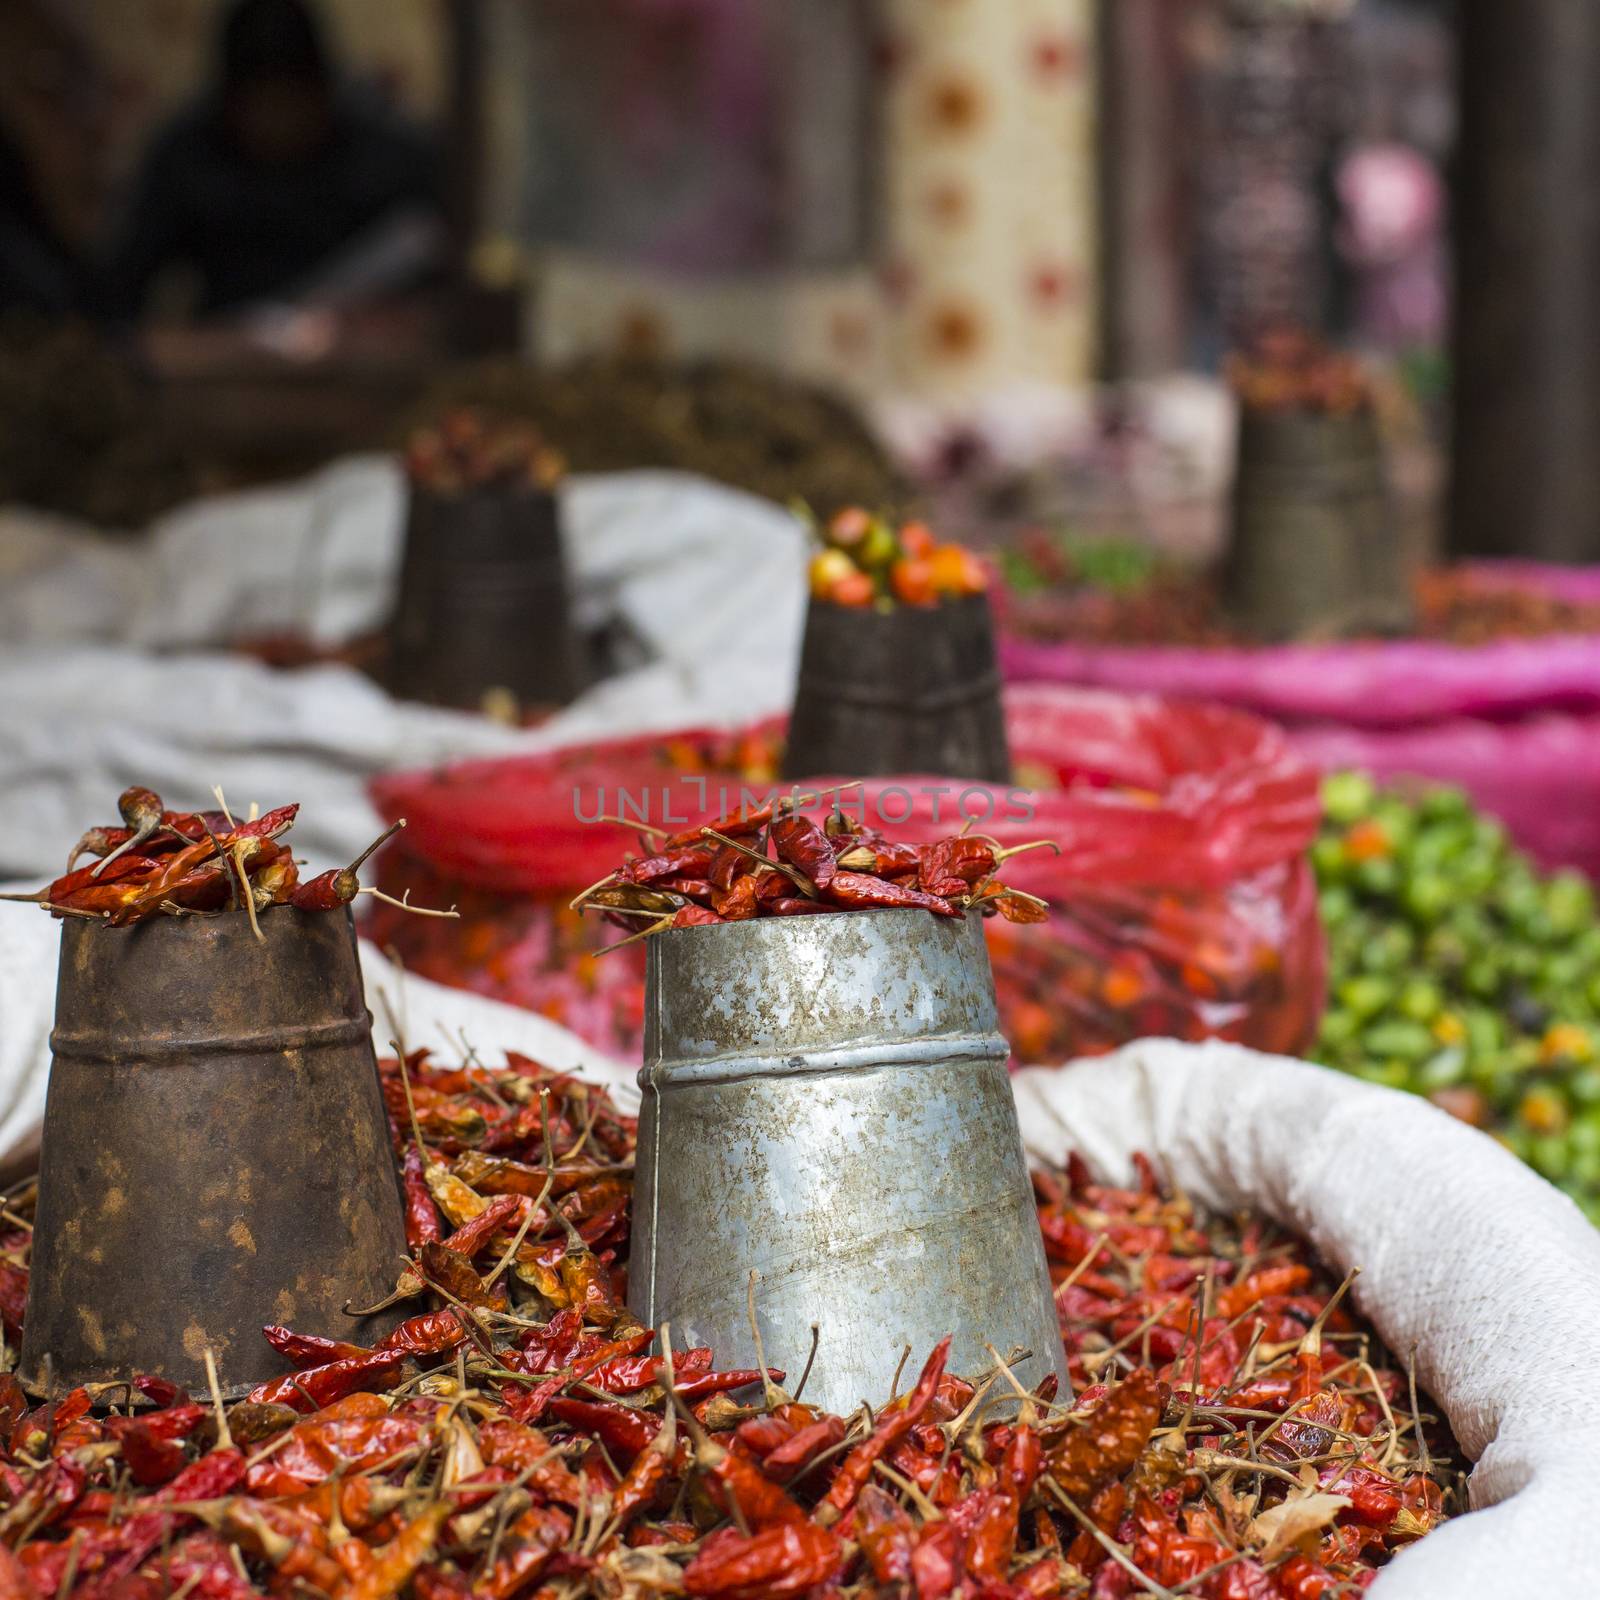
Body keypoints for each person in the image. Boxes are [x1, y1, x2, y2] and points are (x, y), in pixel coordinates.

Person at [99, 0, 446, 322]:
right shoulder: (189, 156)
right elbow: (122, 286)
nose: (280, 125)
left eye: (293, 106)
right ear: (230, 105)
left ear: (323, 94)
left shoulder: (384, 153)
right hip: (227, 358)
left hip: (363, 362)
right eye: (264, 108)